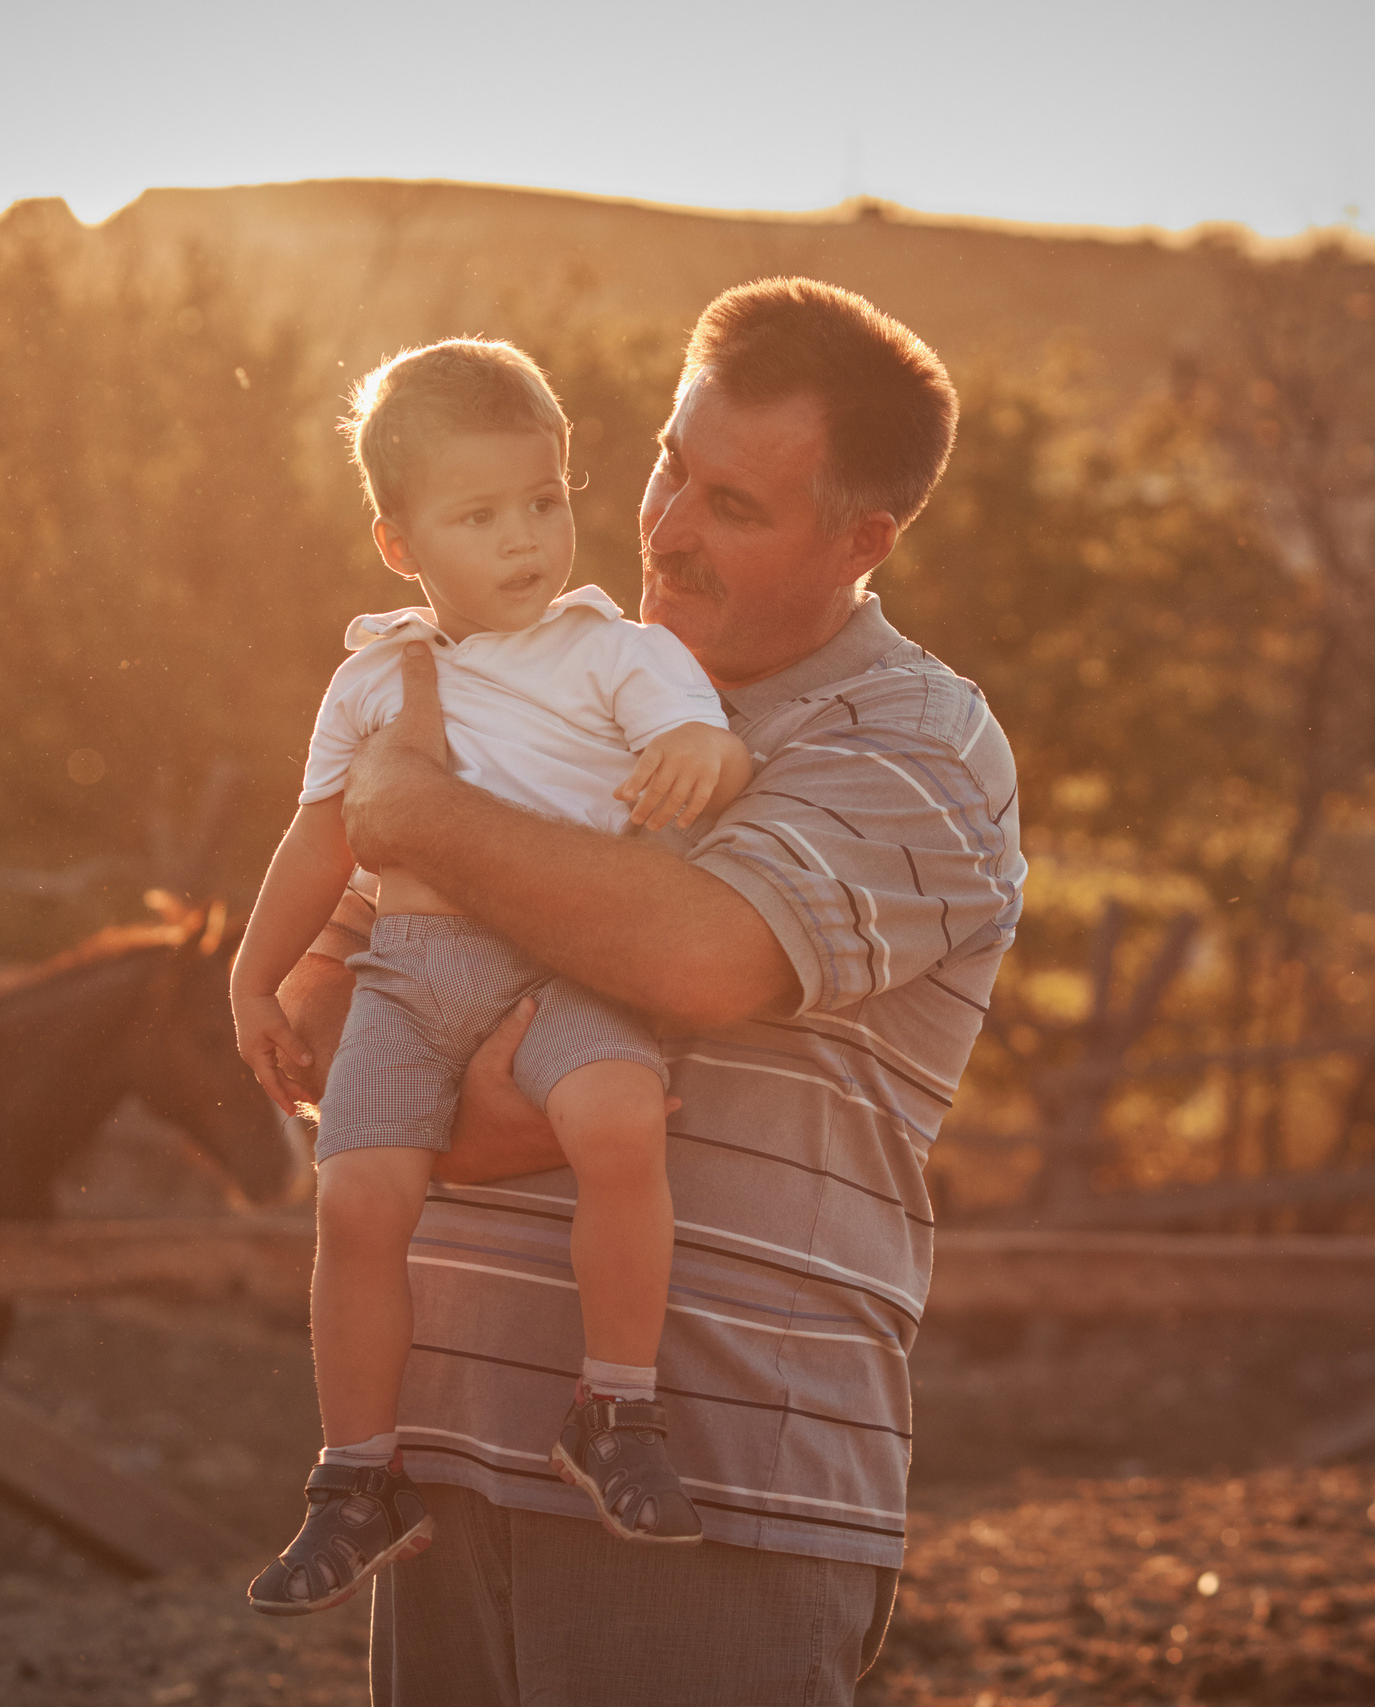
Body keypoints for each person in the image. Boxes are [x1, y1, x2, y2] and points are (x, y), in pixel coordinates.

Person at [281, 279, 1025, 1705]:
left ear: (862, 537)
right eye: (669, 464)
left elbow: (706, 952)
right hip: (442, 1467)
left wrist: (422, 819)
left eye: (733, 504)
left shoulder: (911, 739)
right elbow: (323, 1028)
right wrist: (455, 1104)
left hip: (722, 1492)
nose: (666, 529)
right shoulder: (525, 685)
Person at [229, 339, 757, 1617]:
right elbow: (321, 834)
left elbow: (704, 740)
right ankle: (358, 1475)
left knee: (620, 1119)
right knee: (357, 1201)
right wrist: (253, 977)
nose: (527, 540)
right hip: (410, 977)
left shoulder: (609, 650)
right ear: (398, 543)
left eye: (545, 501)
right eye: (478, 517)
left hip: (567, 966)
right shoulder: (370, 676)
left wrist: (702, 758)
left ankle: (616, 1408)